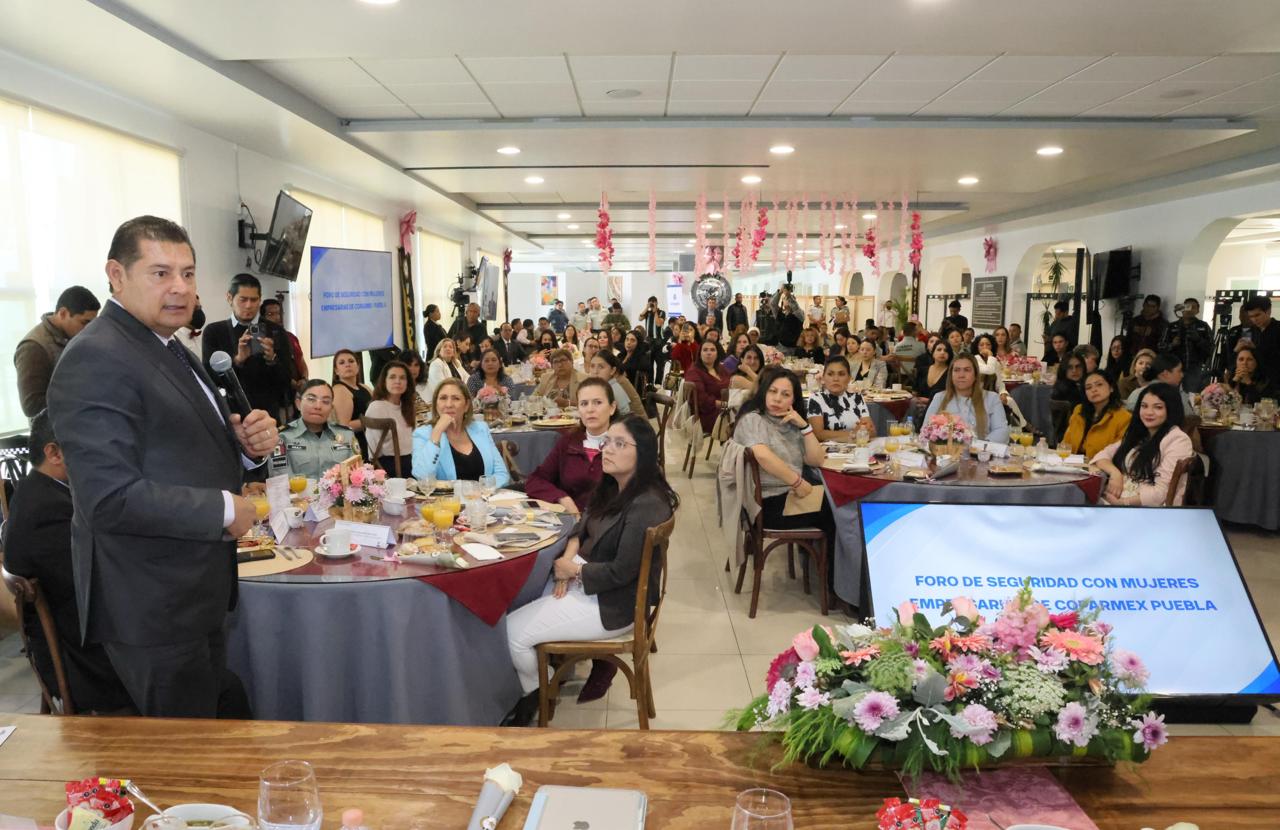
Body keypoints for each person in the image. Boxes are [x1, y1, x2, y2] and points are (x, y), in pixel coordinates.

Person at [47, 215, 276, 717]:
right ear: (116, 274)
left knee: (213, 730)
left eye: (188, 273)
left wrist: (243, 448)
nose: (180, 288)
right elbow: (107, 497)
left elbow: (179, 448)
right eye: (160, 273)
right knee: (185, 751)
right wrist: (223, 508)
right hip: (152, 602)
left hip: (193, 591)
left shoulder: (166, 344)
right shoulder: (97, 357)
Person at [504, 414, 678, 723]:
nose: (607, 449)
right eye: (607, 442)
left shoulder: (646, 503)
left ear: (643, 453)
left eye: (620, 444)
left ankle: (538, 690)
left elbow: (622, 571)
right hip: (591, 581)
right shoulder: (615, 485)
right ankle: (544, 677)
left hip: (615, 604)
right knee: (518, 598)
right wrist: (569, 560)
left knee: (512, 633)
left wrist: (574, 571)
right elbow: (584, 523)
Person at [1, 411, 133, 713]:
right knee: (211, 677)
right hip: (87, 664)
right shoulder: (46, 510)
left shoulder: (40, 491)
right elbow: (99, 586)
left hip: (82, 642)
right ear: (54, 453)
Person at [731, 367, 834, 549]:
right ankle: (830, 566)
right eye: (772, 391)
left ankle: (818, 561)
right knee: (836, 510)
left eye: (785, 394)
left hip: (789, 498)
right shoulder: (753, 419)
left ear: (794, 400)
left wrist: (804, 427)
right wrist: (798, 483)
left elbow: (816, 460)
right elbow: (763, 455)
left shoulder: (790, 423)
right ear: (764, 392)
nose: (777, 398)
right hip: (766, 504)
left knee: (836, 503)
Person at [201, 273, 293, 421]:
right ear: (230, 298)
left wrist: (272, 359)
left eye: (254, 300)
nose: (249, 305)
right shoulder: (215, 332)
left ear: (260, 300)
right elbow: (210, 380)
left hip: (268, 414)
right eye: (243, 299)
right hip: (231, 415)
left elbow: (286, 380)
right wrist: (237, 360)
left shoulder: (276, 331)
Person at [1093, 383, 1194, 506]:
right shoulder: (1141, 434)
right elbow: (1102, 455)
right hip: (1116, 501)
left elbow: (1162, 492)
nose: (1149, 412)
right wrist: (1115, 474)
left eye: (1158, 407)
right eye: (1144, 406)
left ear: (1171, 409)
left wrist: (1123, 503)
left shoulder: (1177, 440)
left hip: (1147, 509)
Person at [526, 378, 617, 513]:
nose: (590, 409)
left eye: (597, 402)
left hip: (610, 520)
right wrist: (561, 498)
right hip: (570, 518)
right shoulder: (569, 441)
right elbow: (536, 480)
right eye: (584, 404)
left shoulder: (624, 445)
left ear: (612, 408)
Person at [14, 286, 101, 418]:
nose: (89, 329)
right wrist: (82, 398)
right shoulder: (33, 347)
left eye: (92, 324)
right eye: (84, 322)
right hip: (55, 429)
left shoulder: (76, 336)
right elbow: (32, 406)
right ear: (63, 313)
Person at [412, 379, 511, 486]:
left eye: (456, 398)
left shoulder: (481, 429)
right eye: (443, 398)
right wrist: (437, 432)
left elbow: (502, 474)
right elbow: (422, 476)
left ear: (466, 405)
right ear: (436, 404)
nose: (449, 404)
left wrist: (480, 491)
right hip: (447, 497)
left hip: (484, 495)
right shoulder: (422, 434)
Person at [923, 353, 1010, 443]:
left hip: (982, 450)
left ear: (976, 375)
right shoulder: (939, 398)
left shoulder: (992, 398)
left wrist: (980, 446)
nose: (961, 375)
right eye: (956, 370)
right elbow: (926, 429)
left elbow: (1001, 431)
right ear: (951, 375)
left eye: (967, 370)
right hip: (946, 450)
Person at [280, 380, 360, 478]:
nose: (318, 406)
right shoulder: (283, 437)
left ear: (331, 408)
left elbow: (357, 476)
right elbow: (280, 480)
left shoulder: (347, 435)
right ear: (298, 404)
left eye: (325, 402)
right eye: (311, 399)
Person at [1061, 371, 1132, 460]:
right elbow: (1066, 443)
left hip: (1100, 465)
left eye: (1099, 385)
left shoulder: (1124, 417)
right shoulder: (1079, 410)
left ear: (1111, 388)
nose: (1094, 390)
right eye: (1088, 387)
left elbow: (1118, 454)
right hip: (1072, 463)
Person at [365, 361, 416, 476]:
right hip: (389, 466)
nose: (398, 381)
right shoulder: (377, 407)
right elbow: (374, 451)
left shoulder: (407, 406)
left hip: (410, 460)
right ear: (384, 381)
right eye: (392, 377)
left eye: (402, 378)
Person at [806, 357, 874, 442]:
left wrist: (863, 432)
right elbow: (818, 434)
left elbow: (871, 432)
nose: (835, 379)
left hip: (857, 447)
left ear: (849, 378)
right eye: (830, 374)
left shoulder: (857, 397)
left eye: (841, 374)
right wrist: (853, 433)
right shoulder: (816, 398)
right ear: (823, 377)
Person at [260, 298, 307, 404]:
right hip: (279, 396)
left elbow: (301, 361)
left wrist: (304, 379)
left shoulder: (291, 337)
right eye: (271, 314)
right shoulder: (263, 341)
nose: (277, 317)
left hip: (299, 393)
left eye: (279, 313)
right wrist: (291, 382)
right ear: (263, 317)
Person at [1161, 298, 1213, 391]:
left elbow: (1211, 348)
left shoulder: (1203, 326)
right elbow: (1161, 347)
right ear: (1182, 309)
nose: (1190, 310)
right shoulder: (1171, 326)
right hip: (1173, 368)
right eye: (1187, 307)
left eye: (1193, 307)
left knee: (1192, 395)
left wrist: (1198, 340)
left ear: (1198, 310)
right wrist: (1172, 344)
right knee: (1170, 393)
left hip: (1195, 368)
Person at [332, 348, 373, 460]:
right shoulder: (340, 390)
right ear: (336, 371)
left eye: (351, 361)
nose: (347, 365)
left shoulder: (364, 387)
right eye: (342, 363)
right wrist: (371, 421)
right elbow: (344, 427)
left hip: (372, 439)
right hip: (357, 445)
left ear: (358, 366)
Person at [1124, 352, 1194, 415]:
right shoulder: (1173, 396)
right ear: (1165, 374)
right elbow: (1190, 418)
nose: (1182, 375)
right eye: (1179, 371)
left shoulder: (1135, 393)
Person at [686, 340, 732, 434]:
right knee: (741, 418)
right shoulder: (694, 371)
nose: (709, 353)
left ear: (717, 354)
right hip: (706, 415)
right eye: (705, 350)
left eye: (712, 350)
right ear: (700, 354)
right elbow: (702, 400)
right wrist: (725, 405)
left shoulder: (721, 368)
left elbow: (732, 384)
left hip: (725, 408)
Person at [587, 350, 645, 418]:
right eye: (592, 366)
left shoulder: (615, 386)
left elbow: (625, 417)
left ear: (612, 370)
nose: (595, 371)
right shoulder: (606, 384)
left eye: (601, 367)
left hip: (633, 423)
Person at [1241, 295, 1280, 391]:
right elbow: (1242, 353)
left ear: (1268, 311)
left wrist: (1255, 349)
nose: (1254, 319)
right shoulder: (1248, 331)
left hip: (1275, 381)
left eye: (1257, 315)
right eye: (1251, 316)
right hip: (1252, 380)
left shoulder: (1278, 329)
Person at [425, 337, 471, 403]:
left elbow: (467, 378)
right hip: (442, 400)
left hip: (459, 396)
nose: (448, 349)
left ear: (453, 351)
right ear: (439, 351)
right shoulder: (436, 363)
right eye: (445, 346)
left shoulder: (456, 362)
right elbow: (442, 386)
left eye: (451, 347)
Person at [399, 350, 431, 426]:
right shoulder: (397, 389)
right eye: (409, 365)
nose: (413, 369)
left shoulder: (427, 385)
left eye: (416, 365)